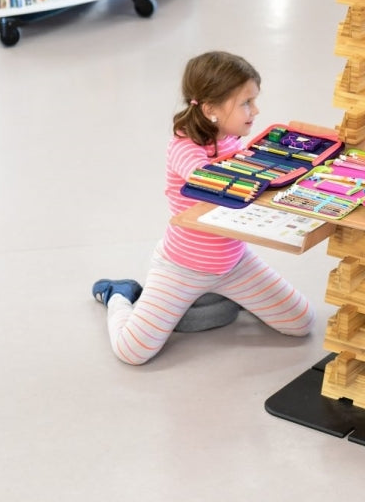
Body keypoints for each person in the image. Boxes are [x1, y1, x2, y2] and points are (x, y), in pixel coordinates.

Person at [90, 51, 314, 365]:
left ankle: (228, 297)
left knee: (301, 322)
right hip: (182, 266)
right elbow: (207, 180)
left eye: (254, 100)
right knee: (133, 352)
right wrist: (266, 170)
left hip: (234, 263)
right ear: (210, 110)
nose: (256, 110)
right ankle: (120, 294)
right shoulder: (183, 147)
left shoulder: (236, 141)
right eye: (246, 103)